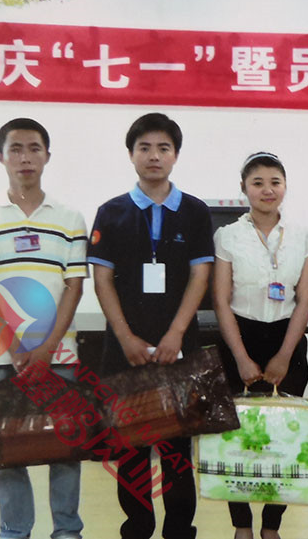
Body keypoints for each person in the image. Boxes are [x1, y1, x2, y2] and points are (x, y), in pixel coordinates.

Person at [0, 118, 87, 539]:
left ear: (47, 156)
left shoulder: (69, 218)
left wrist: (47, 348)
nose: (25, 157)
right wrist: (14, 347)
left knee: (66, 447)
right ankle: (14, 531)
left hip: (58, 355)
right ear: (1, 157)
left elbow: (74, 286)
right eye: (16, 149)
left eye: (34, 148)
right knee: (5, 449)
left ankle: (67, 531)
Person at [87, 113, 213, 539]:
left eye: (163, 148)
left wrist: (176, 333)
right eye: (145, 147)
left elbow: (200, 276)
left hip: (179, 348)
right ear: (131, 155)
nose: (154, 156)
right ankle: (137, 529)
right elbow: (102, 280)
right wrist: (125, 338)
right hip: (126, 351)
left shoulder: (195, 211)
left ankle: (179, 530)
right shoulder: (111, 212)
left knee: (178, 450)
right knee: (132, 449)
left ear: (176, 155)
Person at [213, 152, 308, 539]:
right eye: (257, 183)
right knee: (236, 437)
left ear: (285, 186)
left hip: (287, 339)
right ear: (244, 188)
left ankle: (272, 525)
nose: (267, 190)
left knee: (285, 437)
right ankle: (242, 525)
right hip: (239, 338)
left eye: (275, 182)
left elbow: (304, 300)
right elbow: (221, 300)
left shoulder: (303, 236)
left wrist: (285, 356)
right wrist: (240, 357)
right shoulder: (228, 236)